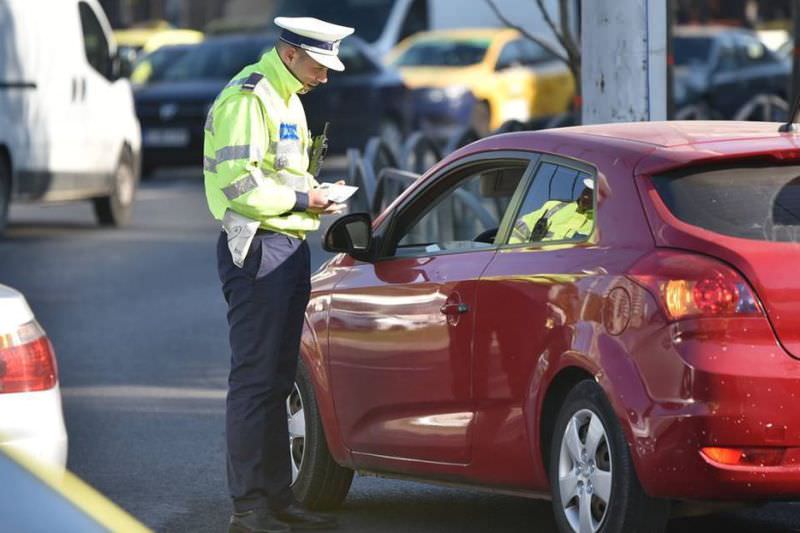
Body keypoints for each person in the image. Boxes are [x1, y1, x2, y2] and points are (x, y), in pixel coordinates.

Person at [203, 16, 353, 533]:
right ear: (290, 53)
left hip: (286, 244)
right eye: (319, 64)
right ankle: (249, 508)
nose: (325, 76)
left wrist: (316, 192)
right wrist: (302, 198)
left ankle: (277, 498)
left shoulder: (287, 98)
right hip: (257, 248)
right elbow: (240, 185)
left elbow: (281, 170)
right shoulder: (249, 98)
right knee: (254, 380)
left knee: (276, 378)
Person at [509, 178, 594, 243]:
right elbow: (517, 229)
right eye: (587, 189)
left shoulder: (601, 224)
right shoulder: (555, 206)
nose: (586, 195)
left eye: (593, 193)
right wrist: (514, 255)